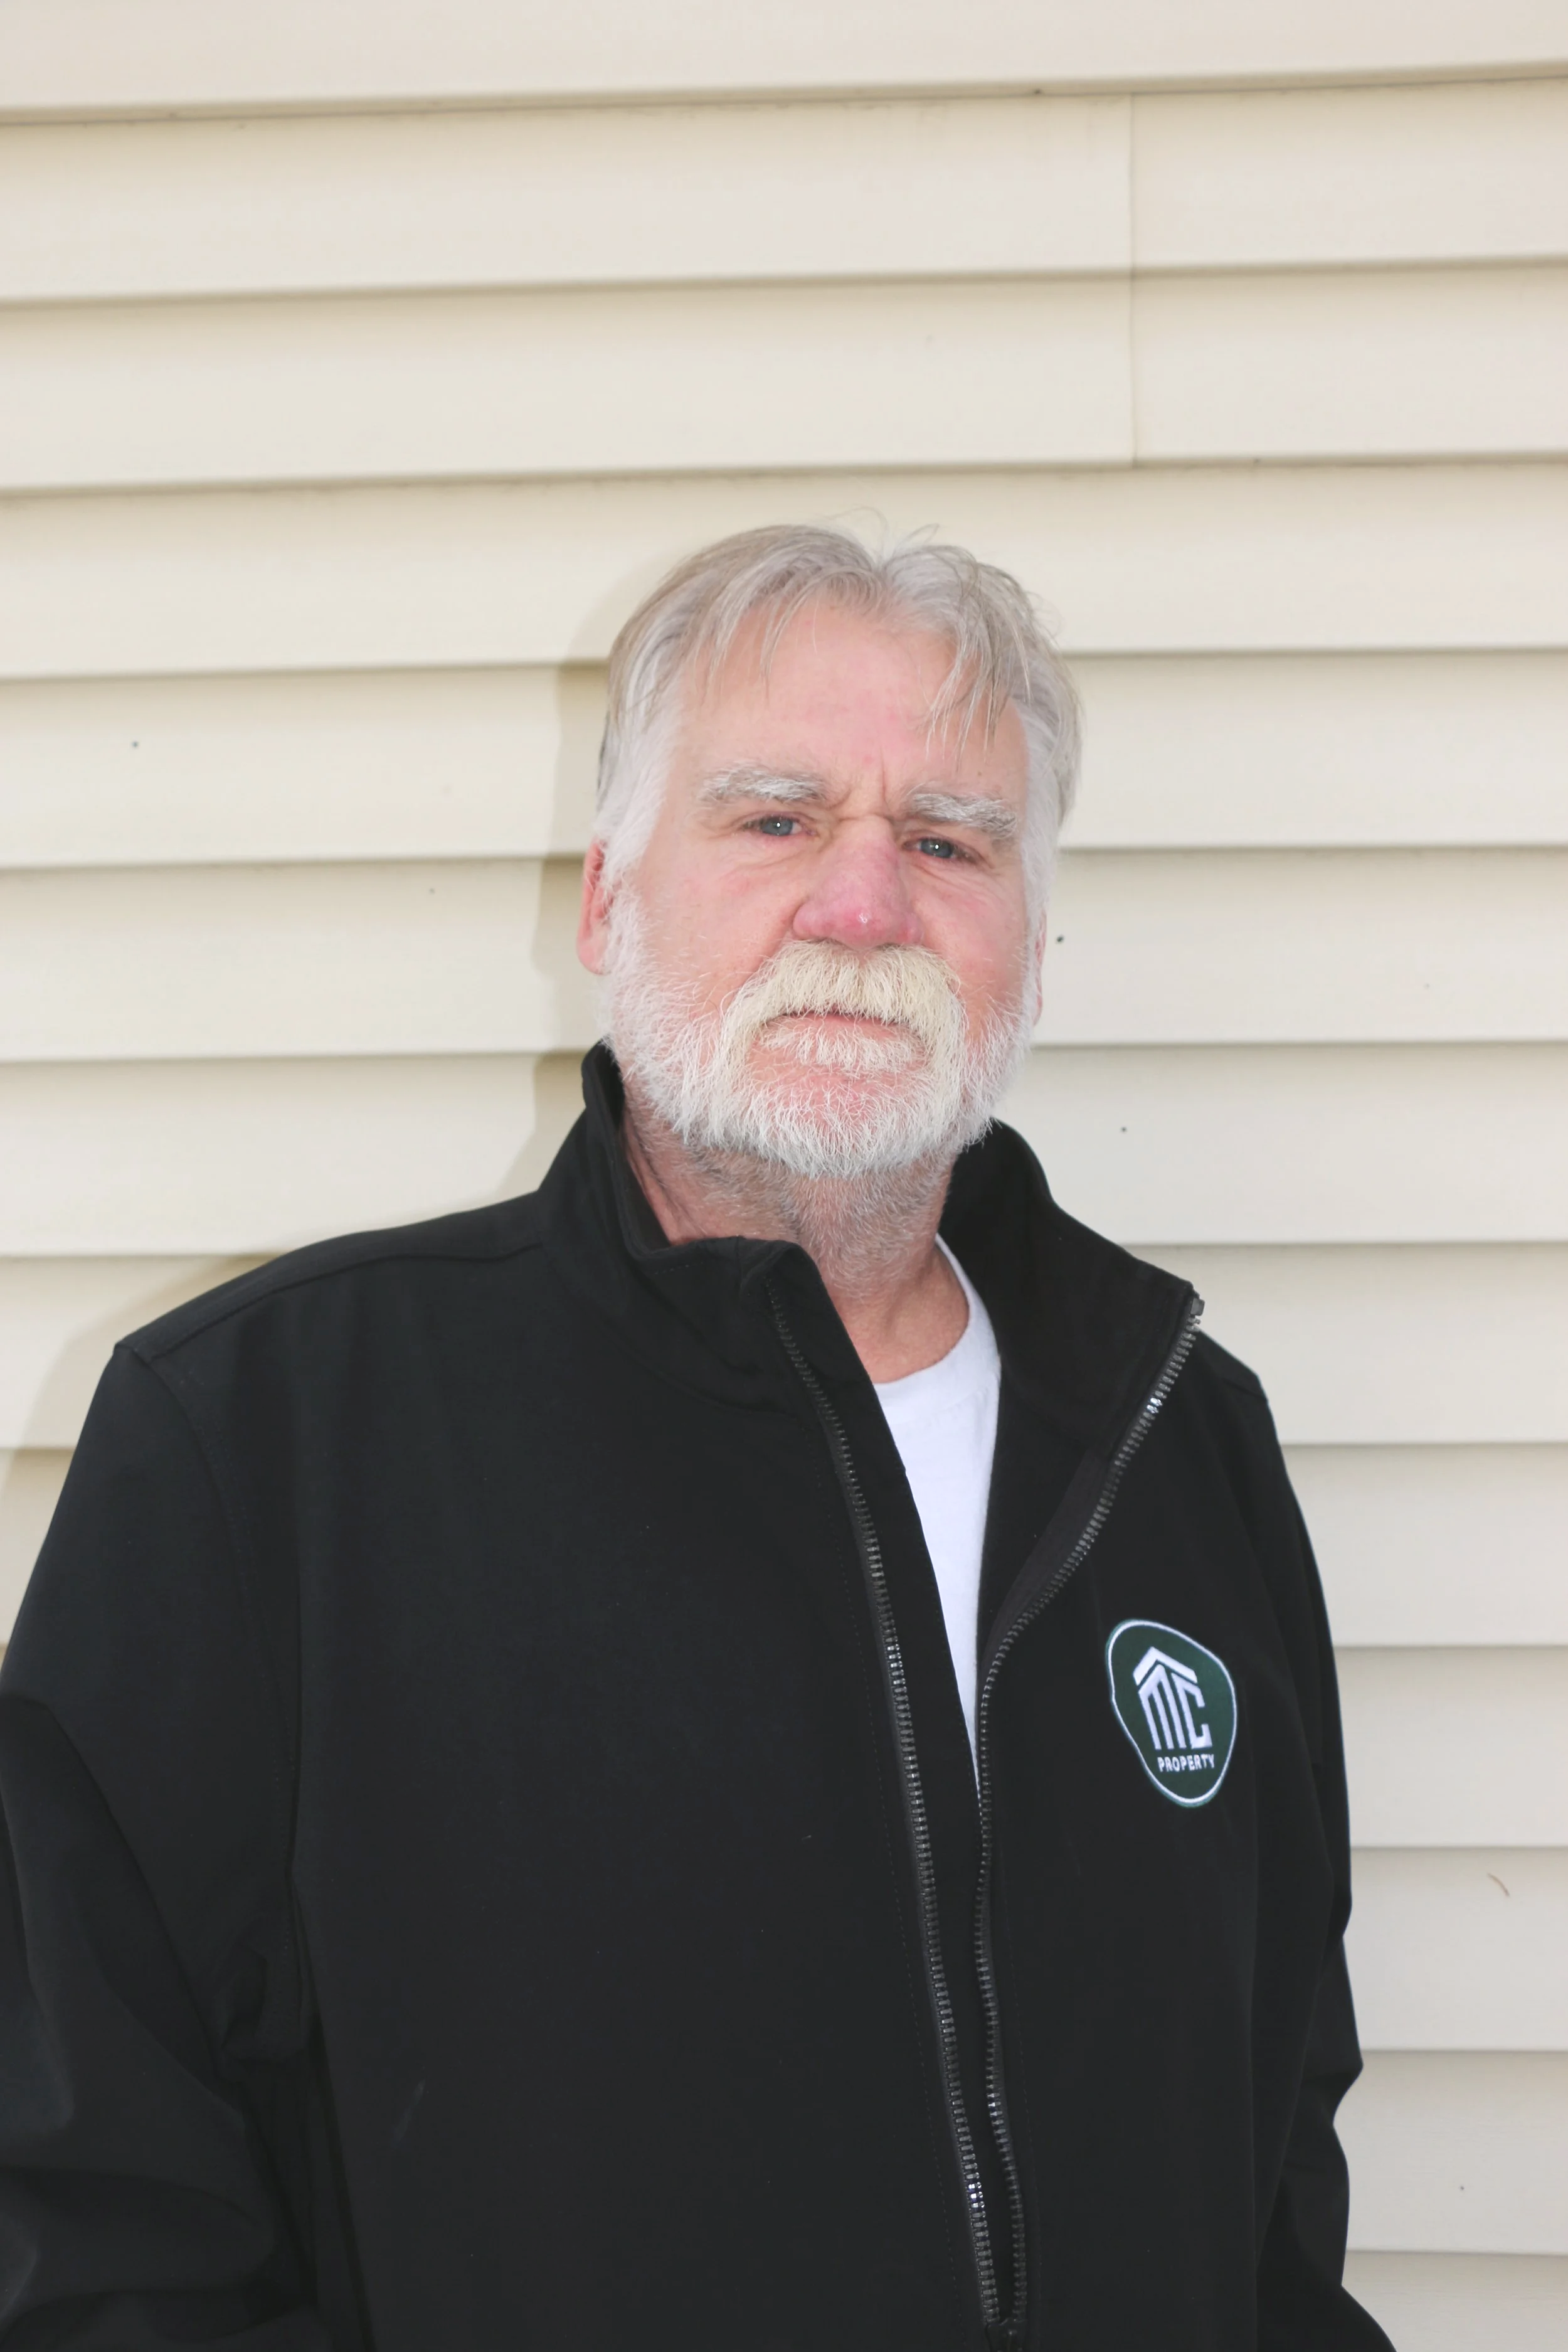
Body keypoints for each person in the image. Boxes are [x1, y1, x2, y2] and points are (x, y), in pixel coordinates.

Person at [0, 526, 1392, 2351]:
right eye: (774, 818)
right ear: (605, 904)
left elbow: (1274, 2158)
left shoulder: (1181, 1442)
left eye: (948, 842)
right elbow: (79, 2223)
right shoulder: (261, 1447)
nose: (862, 905)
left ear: (1033, 952)